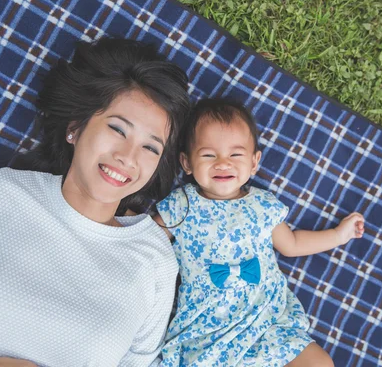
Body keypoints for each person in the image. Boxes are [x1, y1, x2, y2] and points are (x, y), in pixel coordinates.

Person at [0, 38, 191, 366]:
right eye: (117, 129)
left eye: (150, 148)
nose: (128, 157)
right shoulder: (0, 192)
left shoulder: (155, 261)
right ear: (75, 129)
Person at [154, 98, 365, 366]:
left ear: (254, 163)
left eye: (236, 155)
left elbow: (293, 244)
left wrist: (338, 234)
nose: (223, 163)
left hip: (266, 320)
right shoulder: (181, 205)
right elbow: (148, 240)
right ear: (186, 163)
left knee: (321, 363)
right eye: (209, 155)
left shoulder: (263, 205)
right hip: (208, 332)